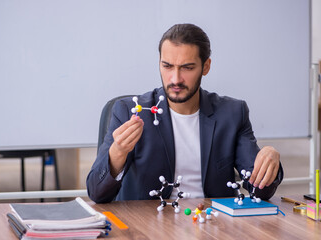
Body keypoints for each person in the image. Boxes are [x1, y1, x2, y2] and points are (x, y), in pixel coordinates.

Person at [86, 23, 283, 203]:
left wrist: (270, 162)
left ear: (205, 67)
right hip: (148, 226)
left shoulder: (232, 114)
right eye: (167, 66)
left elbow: (259, 191)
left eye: (187, 68)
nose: (176, 79)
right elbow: (97, 194)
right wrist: (117, 153)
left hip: (213, 224)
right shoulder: (129, 112)